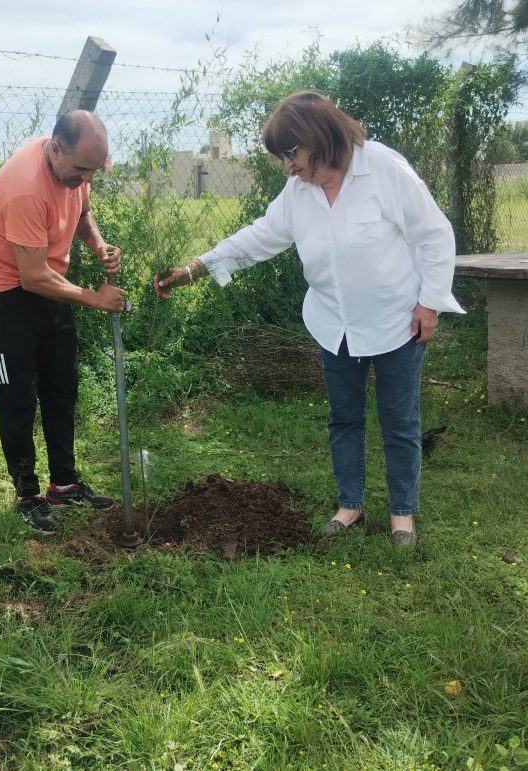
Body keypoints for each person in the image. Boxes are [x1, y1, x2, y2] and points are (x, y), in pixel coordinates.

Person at [154, 91, 463, 548]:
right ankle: (350, 504)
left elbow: (435, 234)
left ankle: (402, 515)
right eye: (283, 157)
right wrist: (196, 268)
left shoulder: (382, 168)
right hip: (333, 323)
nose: (287, 166)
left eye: (290, 153)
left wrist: (430, 303)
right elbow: (262, 235)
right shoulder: (298, 191)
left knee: (399, 419)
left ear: (317, 137)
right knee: (344, 418)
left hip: (396, 319)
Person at [0, 110, 127, 533]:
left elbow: (81, 215)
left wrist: (98, 244)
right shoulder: (26, 187)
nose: (85, 179)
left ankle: (64, 484)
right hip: (6, 294)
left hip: (51, 282)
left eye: (93, 171)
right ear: (56, 149)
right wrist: (94, 298)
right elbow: (31, 276)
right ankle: (27, 496)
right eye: (80, 170)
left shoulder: (75, 166)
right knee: (18, 397)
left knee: (62, 388)